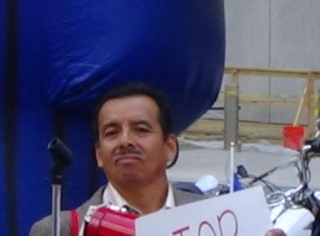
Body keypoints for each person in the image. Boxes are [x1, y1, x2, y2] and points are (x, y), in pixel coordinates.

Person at [29, 83, 286, 236]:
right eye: (112, 132)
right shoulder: (60, 229)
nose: (125, 141)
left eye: (141, 129)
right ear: (98, 154)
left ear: (170, 147)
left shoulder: (221, 224)